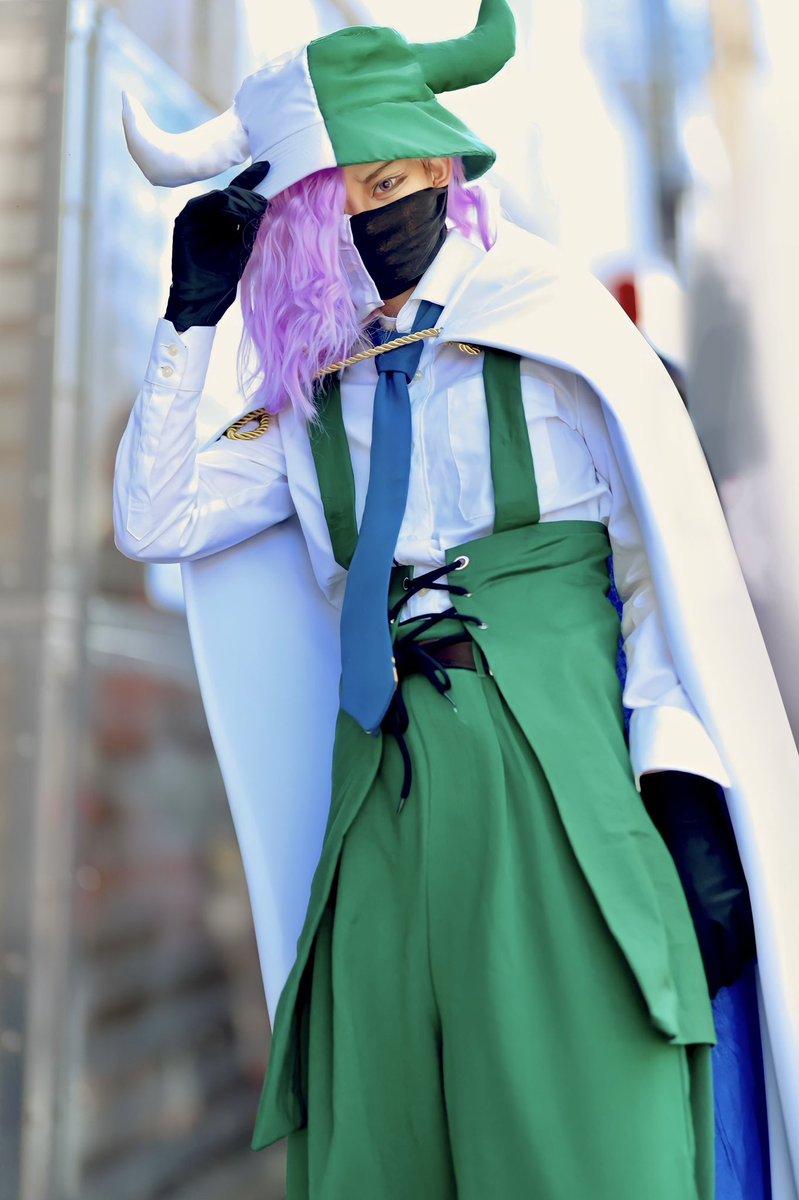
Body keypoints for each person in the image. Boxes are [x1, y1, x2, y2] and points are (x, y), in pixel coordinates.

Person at [114, 3, 799, 1197]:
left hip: (561, 791)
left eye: (385, 184)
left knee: (592, 1140)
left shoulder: (555, 328)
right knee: (386, 1148)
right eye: (329, 202)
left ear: (439, 170)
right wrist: (189, 323)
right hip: (386, 802)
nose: (365, 221)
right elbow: (155, 520)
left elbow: (652, 575)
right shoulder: (306, 397)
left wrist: (683, 788)